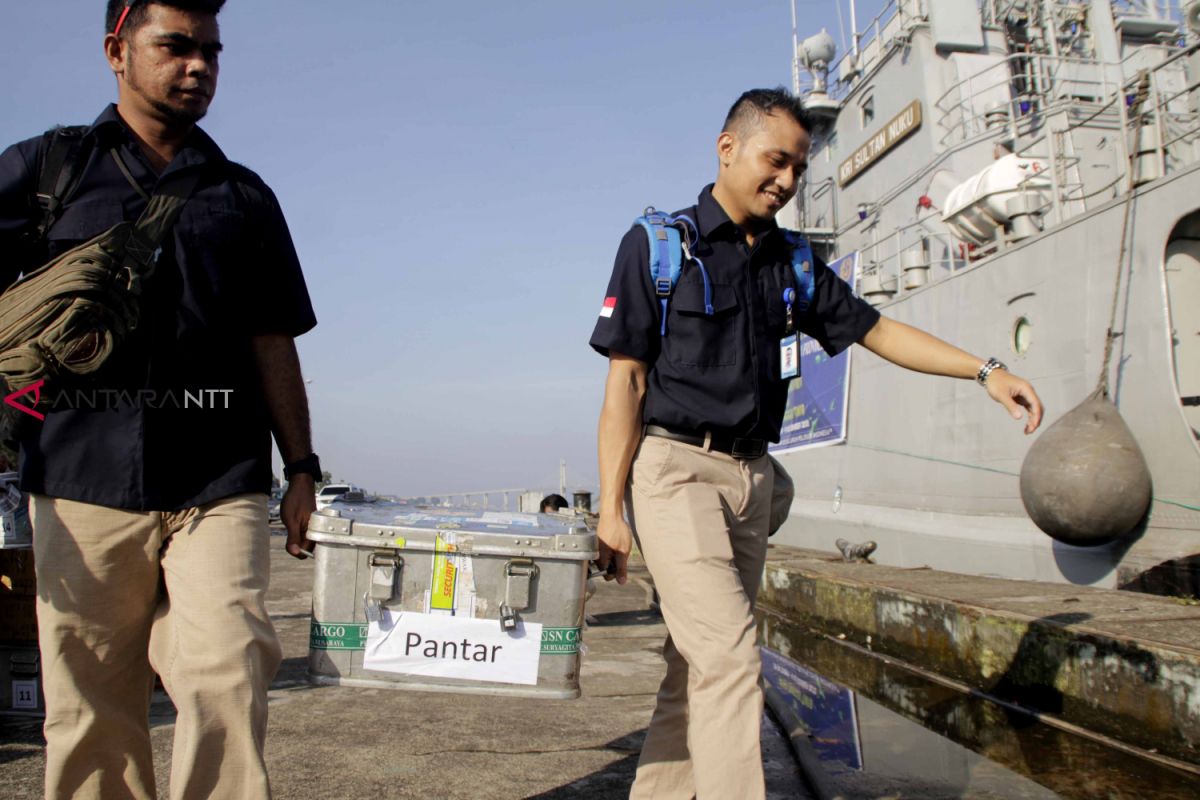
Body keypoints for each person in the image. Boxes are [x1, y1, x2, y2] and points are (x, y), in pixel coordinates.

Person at [589, 87, 1043, 800]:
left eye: (799, 168)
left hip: (751, 482)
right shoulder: (659, 246)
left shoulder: (791, 261)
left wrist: (985, 370)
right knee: (732, 663)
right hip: (674, 473)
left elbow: (878, 329)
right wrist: (610, 510)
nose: (788, 182)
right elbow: (626, 386)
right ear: (728, 148)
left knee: (695, 667)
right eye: (777, 162)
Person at [0, 2, 321, 797]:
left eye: (211, 50)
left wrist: (303, 468)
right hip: (78, 475)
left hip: (220, 478)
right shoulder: (49, 171)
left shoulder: (243, 196)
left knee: (230, 674)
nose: (199, 65)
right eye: (176, 46)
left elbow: (273, 340)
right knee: (90, 707)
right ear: (117, 49)